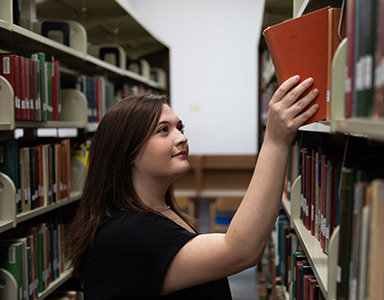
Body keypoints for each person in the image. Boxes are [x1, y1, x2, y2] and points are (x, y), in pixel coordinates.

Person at [65, 75, 319, 299]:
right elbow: (240, 251)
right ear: (128, 153)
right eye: (163, 130)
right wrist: (275, 140)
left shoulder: (157, 214)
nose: (182, 137)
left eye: (180, 127)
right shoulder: (125, 234)